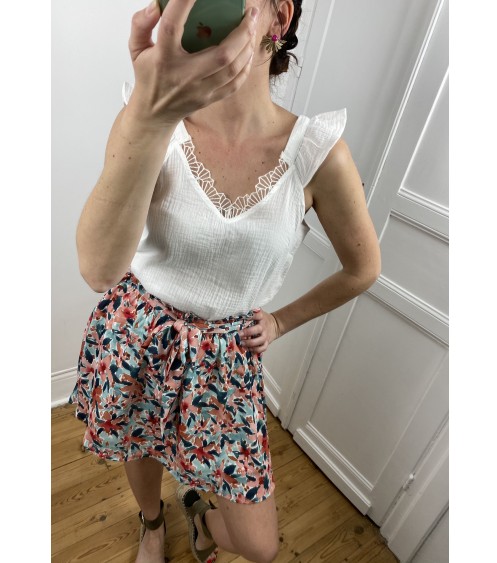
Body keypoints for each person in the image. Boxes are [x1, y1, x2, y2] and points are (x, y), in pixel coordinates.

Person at [68, 1, 381, 562]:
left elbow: (363, 268)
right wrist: (151, 114)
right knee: (139, 441)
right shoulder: (152, 119)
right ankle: (151, 523)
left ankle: (202, 521)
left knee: (260, 546)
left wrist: (280, 321)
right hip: (139, 328)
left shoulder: (316, 155)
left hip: (226, 358)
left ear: (278, 17)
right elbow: (97, 268)